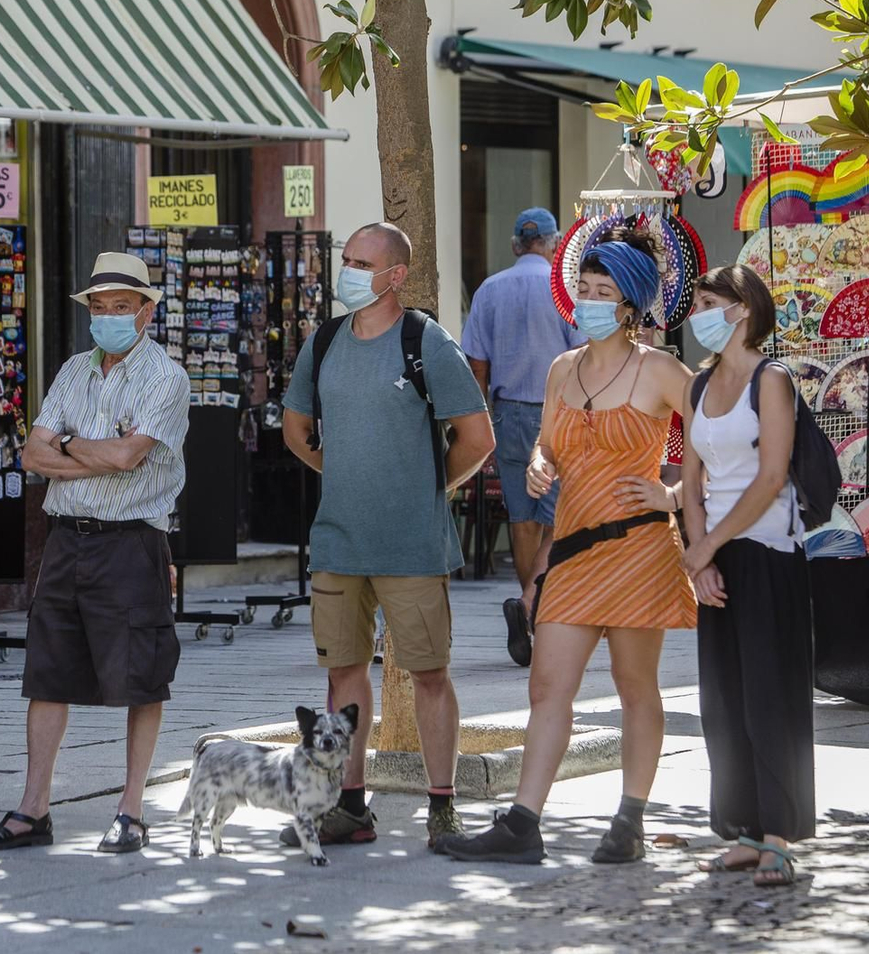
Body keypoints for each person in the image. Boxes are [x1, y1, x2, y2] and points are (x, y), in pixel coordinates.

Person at [438, 227, 695, 865]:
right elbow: (550, 445)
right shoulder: (561, 368)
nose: (589, 300)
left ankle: (629, 820)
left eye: (604, 291)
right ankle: (524, 823)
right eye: (583, 288)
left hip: (638, 548)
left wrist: (677, 493)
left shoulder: (659, 368)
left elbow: (722, 432)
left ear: (631, 304)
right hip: (574, 547)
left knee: (636, 686)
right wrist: (538, 463)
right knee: (547, 687)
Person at [281, 222, 496, 849]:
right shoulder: (321, 342)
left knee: (429, 672)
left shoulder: (426, 342)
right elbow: (298, 432)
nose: (345, 270)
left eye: (359, 261)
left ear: (394, 276)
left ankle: (442, 806)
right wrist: (345, 471)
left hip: (411, 544)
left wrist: (428, 487)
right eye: (345, 259)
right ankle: (349, 806)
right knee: (342, 677)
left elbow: (476, 439)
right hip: (339, 542)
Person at [0, 252, 189, 855]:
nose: (109, 316)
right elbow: (33, 456)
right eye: (99, 306)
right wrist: (85, 447)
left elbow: (128, 458)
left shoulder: (166, 378)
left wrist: (68, 446)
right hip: (66, 539)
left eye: (122, 306)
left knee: (141, 678)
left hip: (131, 541)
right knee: (47, 673)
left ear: (146, 311)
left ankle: (132, 809)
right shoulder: (72, 370)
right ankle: (33, 808)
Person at [677, 265, 813, 887]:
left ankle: (779, 837)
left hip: (765, 548)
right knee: (723, 699)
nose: (698, 313)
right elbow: (692, 480)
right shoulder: (699, 384)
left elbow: (771, 479)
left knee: (770, 698)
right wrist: (698, 548)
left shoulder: (772, 379)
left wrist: (708, 548)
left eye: (709, 303)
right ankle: (742, 830)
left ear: (740, 310)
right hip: (716, 549)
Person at [461, 207, 584, 667]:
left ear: (516, 244)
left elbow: (476, 364)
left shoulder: (491, 289)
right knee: (559, 517)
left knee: (521, 517)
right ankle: (536, 606)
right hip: (559, 413)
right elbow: (582, 356)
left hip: (507, 413)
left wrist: (480, 420)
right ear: (554, 244)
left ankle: (529, 605)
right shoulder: (564, 288)